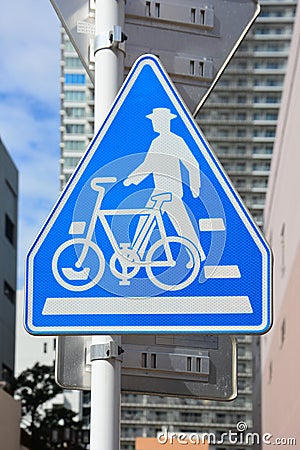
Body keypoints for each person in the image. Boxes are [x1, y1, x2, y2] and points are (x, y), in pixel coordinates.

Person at [124, 107, 206, 261]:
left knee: (180, 224)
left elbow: (192, 163)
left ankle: (136, 253)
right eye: (153, 121)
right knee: (159, 220)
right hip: (161, 190)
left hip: (169, 192)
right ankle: (136, 253)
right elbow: (148, 164)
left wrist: (195, 186)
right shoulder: (157, 141)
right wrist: (132, 179)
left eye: (156, 121)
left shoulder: (174, 141)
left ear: (164, 122)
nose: (154, 124)